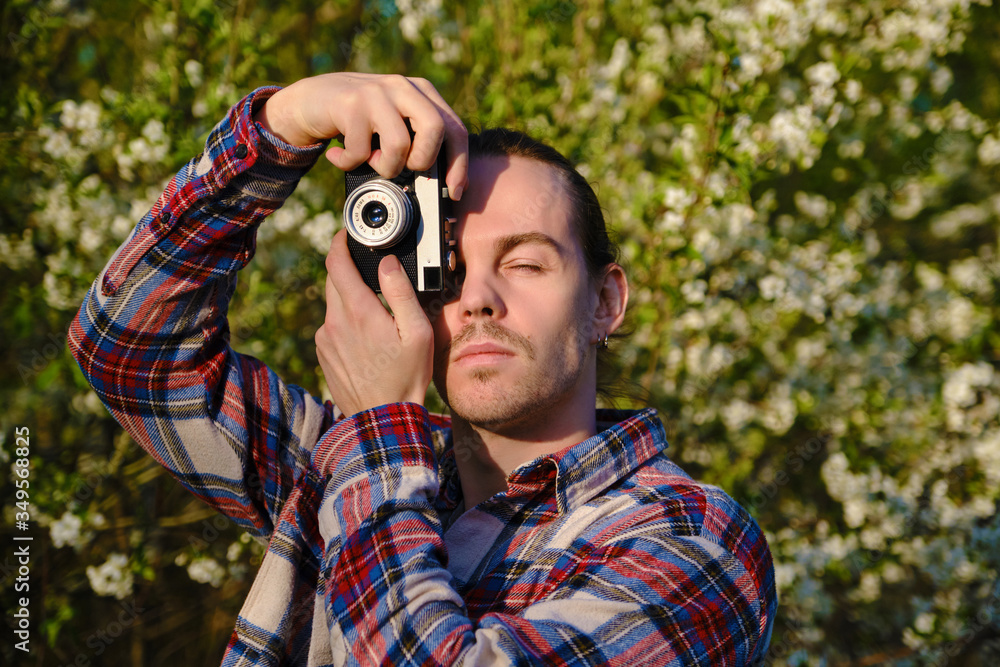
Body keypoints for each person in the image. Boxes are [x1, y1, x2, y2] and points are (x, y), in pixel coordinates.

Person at [69, 72, 776, 666]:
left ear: (605, 302)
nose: (477, 298)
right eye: (448, 269)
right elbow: (128, 350)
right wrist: (282, 124)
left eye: (525, 263)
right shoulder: (342, 464)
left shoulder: (695, 538)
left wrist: (379, 426)